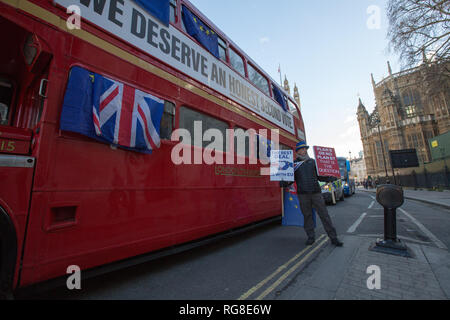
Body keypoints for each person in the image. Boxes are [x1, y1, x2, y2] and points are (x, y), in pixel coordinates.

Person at [283, 141, 343, 247]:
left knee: (324, 215)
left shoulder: (313, 162)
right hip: (302, 194)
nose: (304, 150)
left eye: (305, 148)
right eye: (301, 149)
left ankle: (333, 237)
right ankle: (311, 237)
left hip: (316, 193)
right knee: (307, 216)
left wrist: (330, 177)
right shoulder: (293, 164)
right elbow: (290, 179)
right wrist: (283, 182)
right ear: (298, 151)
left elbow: (320, 176)